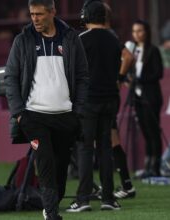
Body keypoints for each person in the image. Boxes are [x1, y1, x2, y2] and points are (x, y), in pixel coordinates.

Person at [5, 0, 89, 219]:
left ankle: (53, 202)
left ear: (52, 12)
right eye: (32, 14)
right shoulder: (22, 41)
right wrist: (19, 113)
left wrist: (77, 112)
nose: (35, 19)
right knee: (45, 161)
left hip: (65, 116)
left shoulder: (70, 38)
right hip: (33, 116)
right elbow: (11, 78)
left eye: (40, 14)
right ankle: (52, 214)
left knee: (61, 165)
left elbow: (82, 77)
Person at [66, 0, 121, 212]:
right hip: (110, 100)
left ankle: (83, 199)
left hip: (88, 101)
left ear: (86, 16)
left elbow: (71, 72)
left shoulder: (80, 39)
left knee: (85, 149)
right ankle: (108, 198)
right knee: (106, 148)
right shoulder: (114, 39)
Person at [103, 2, 136, 199]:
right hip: (107, 93)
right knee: (108, 138)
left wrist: (119, 78)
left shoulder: (108, 36)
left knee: (103, 139)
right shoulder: (109, 35)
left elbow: (128, 56)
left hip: (104, 94)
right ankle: (125, 183)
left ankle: (122, 184)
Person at [127, 20, 164, 178]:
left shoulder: (153, 50)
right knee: (145, 132)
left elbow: (158, 73)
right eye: (134, 31)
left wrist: (140, 79)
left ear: (146, 32)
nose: (137, 34)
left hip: (151, 96)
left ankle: (155, 166)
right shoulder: (133, 51)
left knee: (153, 131)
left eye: (140, 31)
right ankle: (147, 165)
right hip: (138, 97)